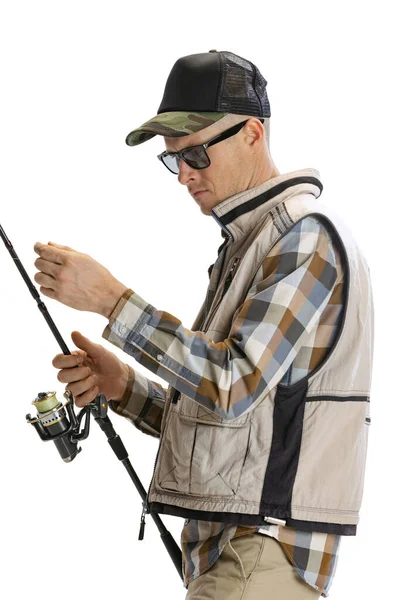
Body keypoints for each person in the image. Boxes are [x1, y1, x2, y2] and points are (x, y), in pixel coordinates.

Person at [33, 50, 374, 599]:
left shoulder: (303, 238)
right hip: (236, 553)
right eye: (174, 159)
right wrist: (123, 386)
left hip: (258, 552)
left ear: (252, 134)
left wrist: (110, 300)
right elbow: (230, 423)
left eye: (196, 154)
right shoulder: (253, 245)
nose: (185, 175)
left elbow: (233, 385)